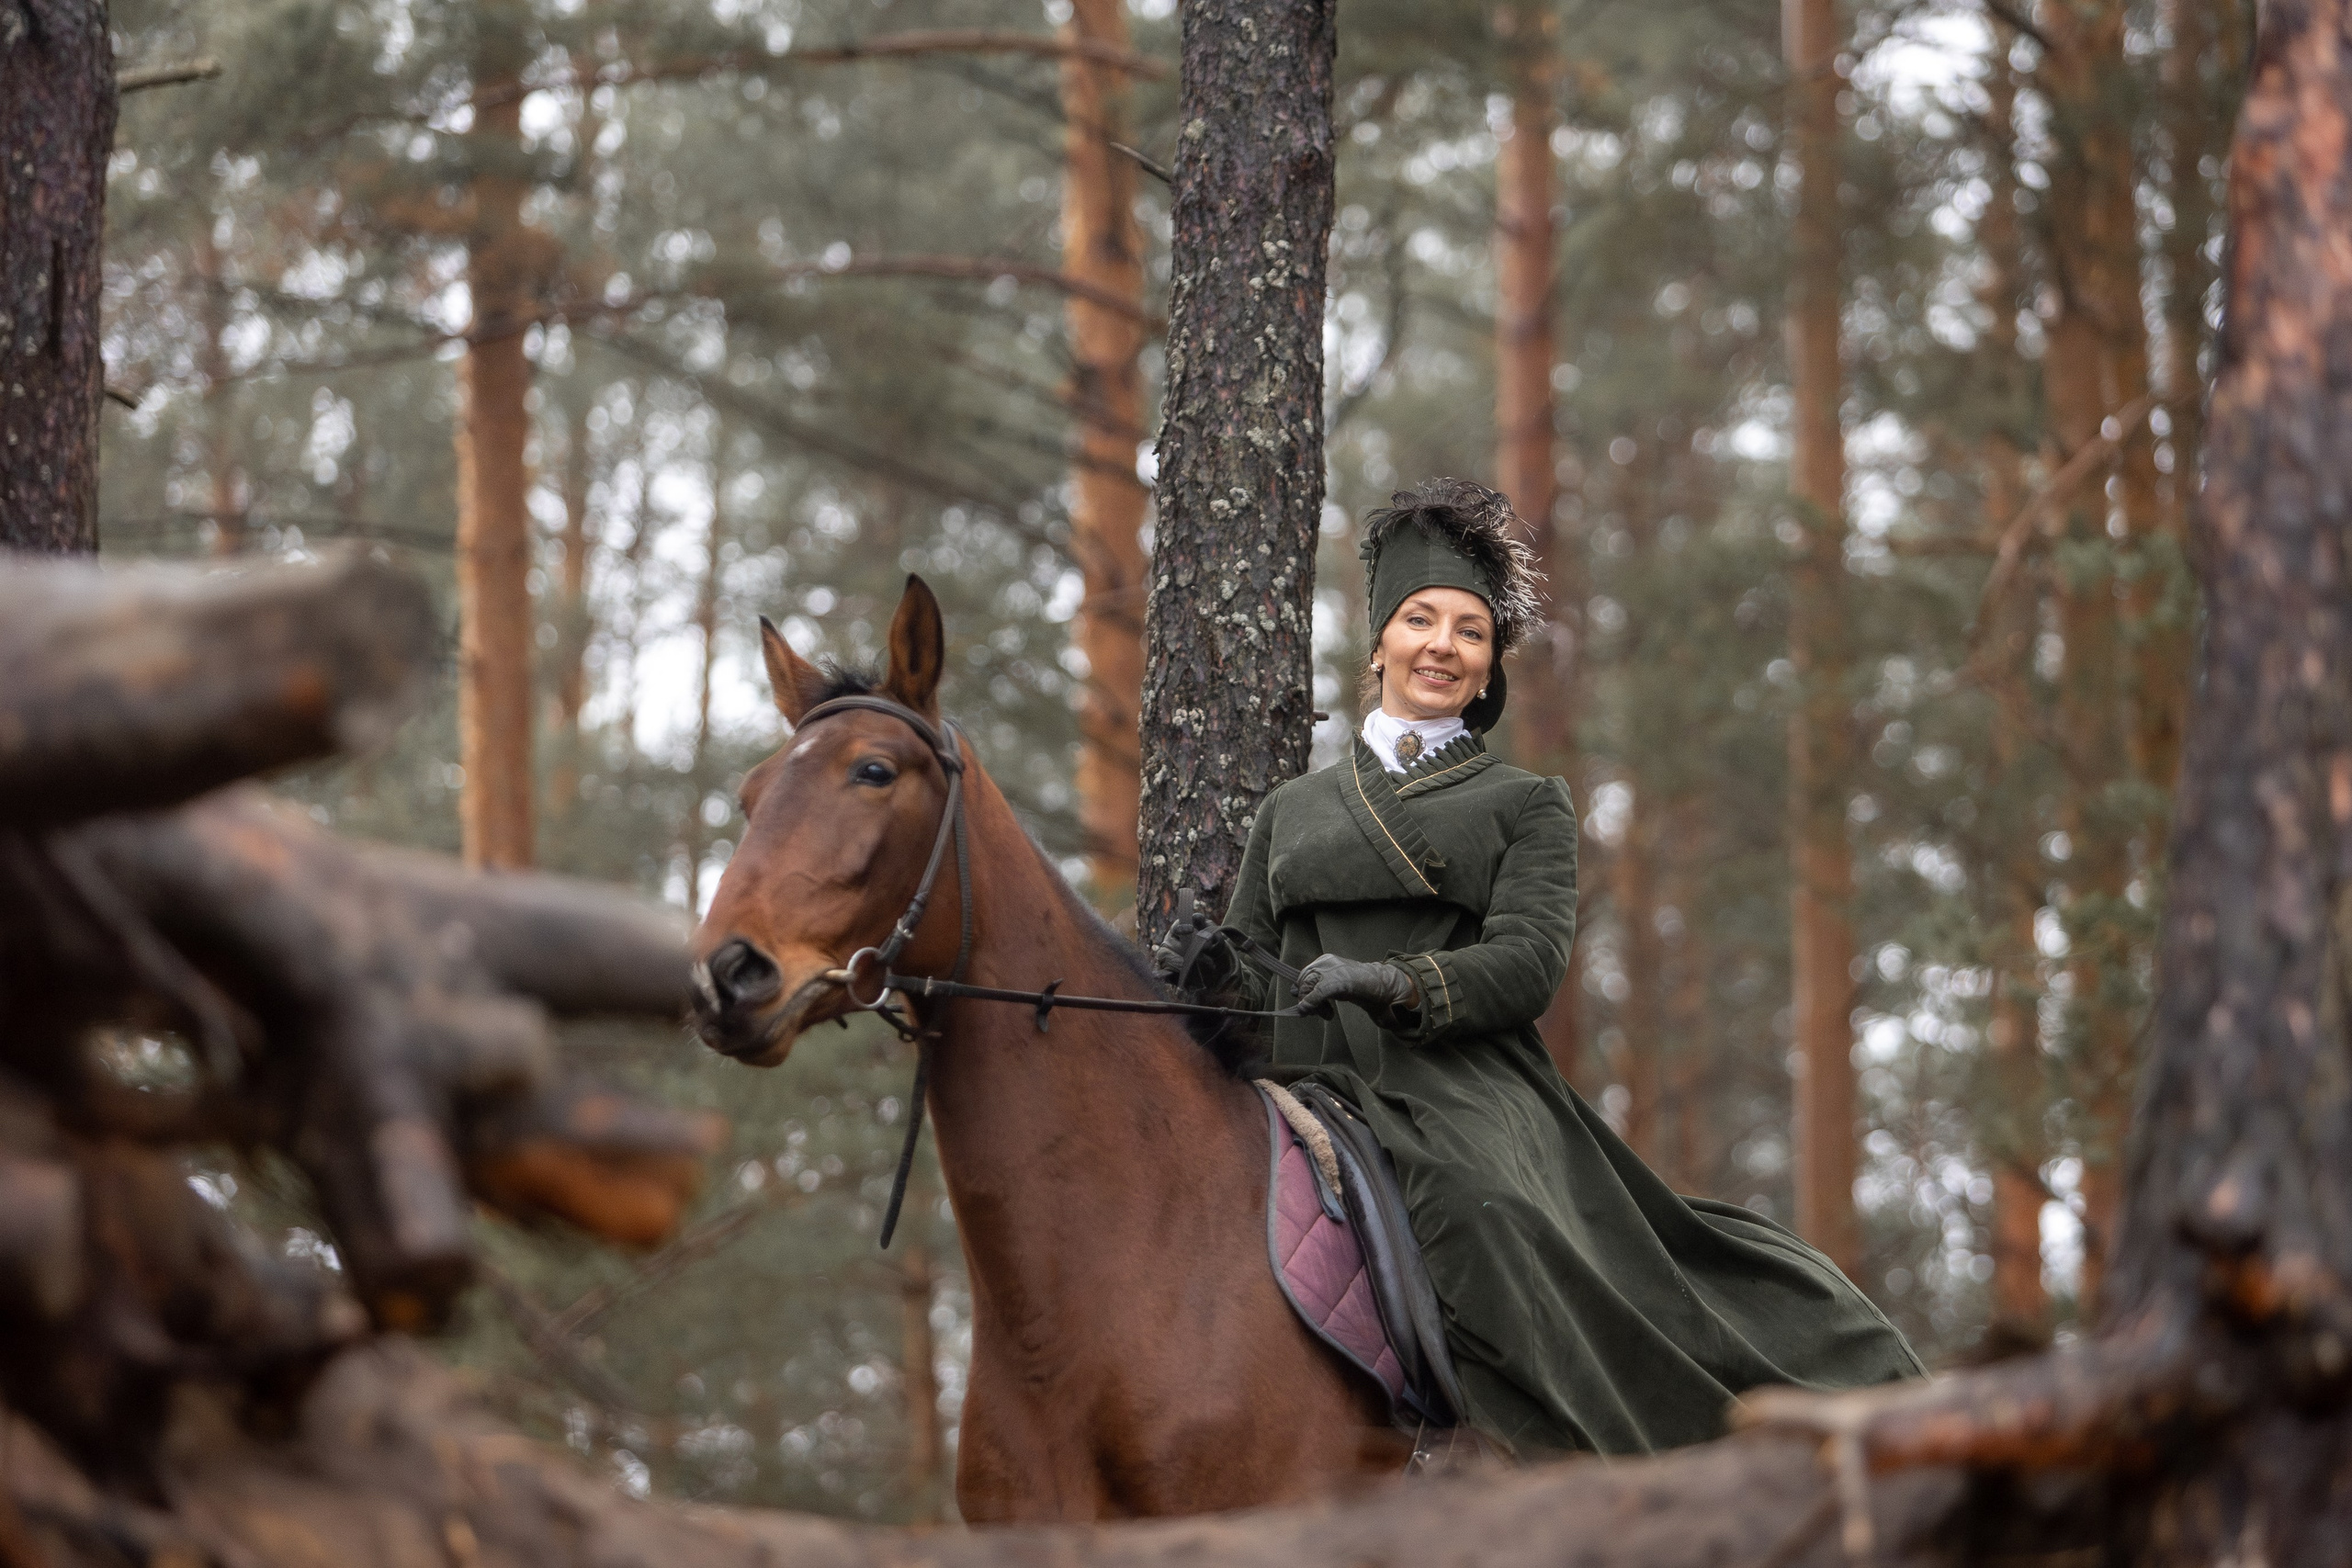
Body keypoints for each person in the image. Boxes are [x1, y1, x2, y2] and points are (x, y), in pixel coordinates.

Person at [1168, 478, 1922, 1458]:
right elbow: (1265, 986)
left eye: (1470, 633)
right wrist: (1220, 981)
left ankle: (1557, 1453)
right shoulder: (1291, 811)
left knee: (1484, 1206)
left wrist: (1393, 982)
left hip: (1463, 1081)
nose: (1442, 646)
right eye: (1420, 621)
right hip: (1312, 1073)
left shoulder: (1524, 801)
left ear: (1488, 673)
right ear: (1380, 644)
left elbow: (1527, 965)